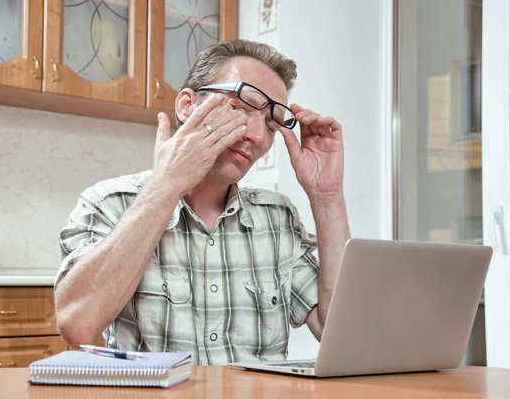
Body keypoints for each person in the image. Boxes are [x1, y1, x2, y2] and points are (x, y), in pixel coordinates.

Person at [54, 39, 351, 366]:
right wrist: (167, 184)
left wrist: (327, 196)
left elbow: (337, 332)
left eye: (270, 124)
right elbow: (77, 324)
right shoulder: (109, 203)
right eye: (241, 107)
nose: (256, 135)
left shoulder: (277, 217)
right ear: (187, 105)